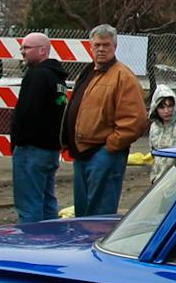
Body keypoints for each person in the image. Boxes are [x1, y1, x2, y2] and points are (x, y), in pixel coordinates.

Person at [62, 25, 148, 215]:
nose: (101, 49)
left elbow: (136, 120)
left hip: (103, 155)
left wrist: (110, 147)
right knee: (82, 213)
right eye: (97, 45)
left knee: (99, 216)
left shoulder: (123, 77)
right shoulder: (87, 73)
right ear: (90, 47)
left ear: (115, 47)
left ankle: (94, 243)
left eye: (106, 45)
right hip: (82, 154)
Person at [9, 32, 70, 224]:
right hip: (50, 150)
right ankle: (51, 240)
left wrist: (18, 140)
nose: (22, 52)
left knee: (29, 205)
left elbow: (28, 113)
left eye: (27, 48)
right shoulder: (57, 78)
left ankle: (30, 246)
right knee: (47, 201)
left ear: (42, 50)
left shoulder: (37, 76)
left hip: (31, 150)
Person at [144, 86, 176, 179]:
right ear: (155, 108)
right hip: (159, 179)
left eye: (170, 105)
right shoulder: (154, 127)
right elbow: (154, 154)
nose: (166, 111)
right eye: (162, 107)